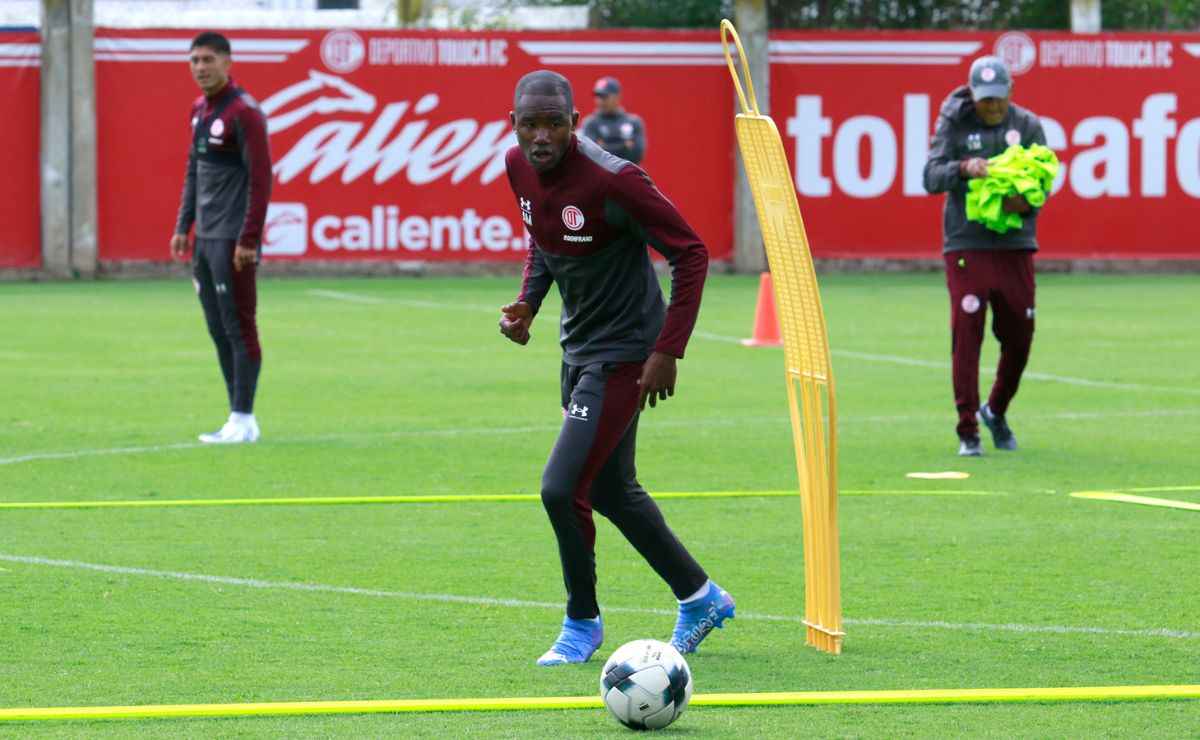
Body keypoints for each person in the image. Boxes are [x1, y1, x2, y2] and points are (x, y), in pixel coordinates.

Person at [499, 70, 733, 666]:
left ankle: (581, 623)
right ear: (514, 125)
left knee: (560, 488)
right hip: (576, 350)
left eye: (555, 122)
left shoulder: (615, 179)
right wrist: (530, 301)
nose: (542, 135)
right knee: (609, 488)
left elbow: (692, 252)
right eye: (531, 123)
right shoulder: (517, 167)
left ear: (576, 123)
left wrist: (667, 350)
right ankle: (701, 596)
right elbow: (543, 239)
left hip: (627, 353)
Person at [923, 56, 1048, 457]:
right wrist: (963, 167)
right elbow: (930, 175)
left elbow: (1042, 182)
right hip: (967, 244)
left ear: (1011, 92)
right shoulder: (955, 122)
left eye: (998, 99)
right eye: (984, 100)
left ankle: (995, 409)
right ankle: (967, 430)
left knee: (1019, 337)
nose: (991, 107)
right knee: (967, 332)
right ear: (973, 95)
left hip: (1015, 246)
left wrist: (1024, 204)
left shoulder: (1027, 126)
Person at [170, 32, 272, 444]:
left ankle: (244, 417)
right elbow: (194, 172)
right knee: (216, 327)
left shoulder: (244, 113)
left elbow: (261, 180)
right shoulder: (199, 110)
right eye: (194, 60)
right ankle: (235, 416)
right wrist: (183, 225)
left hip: (233, 239)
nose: (200, 67)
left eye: (208, 59)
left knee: (239, 325)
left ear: (227, 63)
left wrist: (249, 238)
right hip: (205, 239)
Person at [581, 76, 646, 165]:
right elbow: (591, 155)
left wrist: (603, 147)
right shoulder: (590, 123)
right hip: (601, 177)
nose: (600, 101)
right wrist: (625, 146)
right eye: (598, 96)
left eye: (604, 97)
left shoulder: (634, 122)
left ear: (617, 97)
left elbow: (637, 155)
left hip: (628, 176)